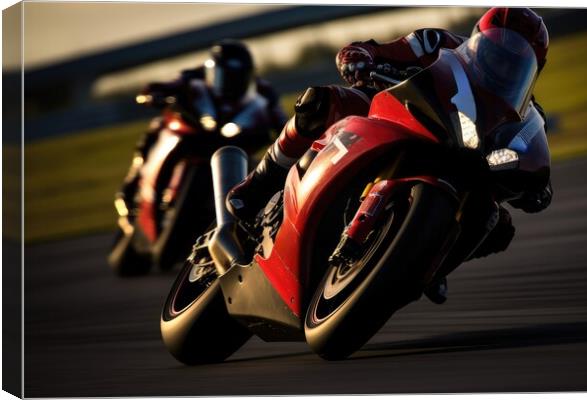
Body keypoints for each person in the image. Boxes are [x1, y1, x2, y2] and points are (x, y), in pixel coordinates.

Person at [226, 8, 554, 303]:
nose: (501, 65)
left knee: (497, 224)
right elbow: (372, 50)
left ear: (531, 70)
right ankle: (258, 183)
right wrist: (361, 58)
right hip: (396, 117)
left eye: (514, 62)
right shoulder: (436, 42)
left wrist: (537, 184)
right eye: (496, 52)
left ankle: (431, 261)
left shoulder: (525, 114)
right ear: (479, 40)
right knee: (319, 104)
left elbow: (533, 157)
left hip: (462, 157)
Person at [117, 39, 288, 209]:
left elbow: (280, 119)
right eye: (225, 76)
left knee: (267, 164)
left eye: (238, 77)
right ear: (212, 70)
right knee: (159, 127)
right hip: (198, 133)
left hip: (236, 140)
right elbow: (164, 87)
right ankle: (131, 187)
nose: (231, 83)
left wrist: (283, 133)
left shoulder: (264, 90)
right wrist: (154, 95)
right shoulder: (193, 77)